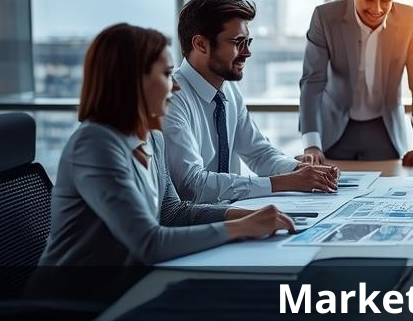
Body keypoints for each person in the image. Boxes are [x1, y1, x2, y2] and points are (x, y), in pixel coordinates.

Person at [39, 23, 297, 266]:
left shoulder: (152, 137)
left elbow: (173, 213)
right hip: (77, 302)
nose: (175, 86)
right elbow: (149, 243)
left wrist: (245, 215)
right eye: (165, 74)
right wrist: (240, 228)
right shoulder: (95, 144)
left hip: (129, 288)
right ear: (132, 81)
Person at [163, 0, 338, 204]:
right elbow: (191, 186)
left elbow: (258, 153)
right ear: (201, 44)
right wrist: (286, 181)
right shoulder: (172, 99)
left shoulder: (229, 90)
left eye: (248, 41)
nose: (247, 53)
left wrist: (299, 169)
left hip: (231, 216)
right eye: (238, 42)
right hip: (196, 226)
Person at [299, 0, 413, 165]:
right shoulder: (325, 17)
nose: (377, 9)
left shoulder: (412, 20)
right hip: (335, 130)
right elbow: (312, 81)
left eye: (386, 0)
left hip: (385, 130)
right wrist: (311, 143)